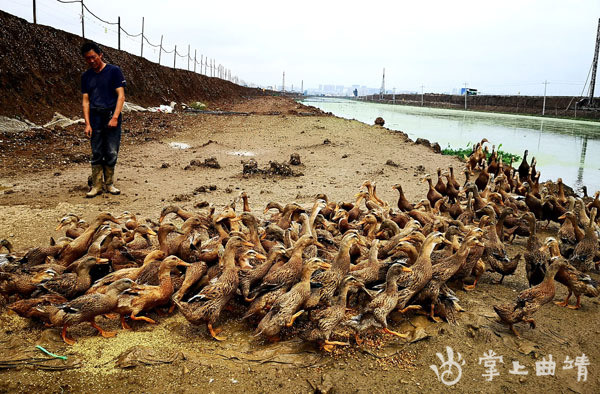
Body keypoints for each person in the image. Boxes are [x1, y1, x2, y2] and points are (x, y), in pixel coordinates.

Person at [80, 42, 126, 198]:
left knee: (111, 151)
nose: (91, 61)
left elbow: (121, 96)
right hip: (95, 117)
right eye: (88, 59)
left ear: (100, 55)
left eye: (93, 57)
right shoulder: (86, 76)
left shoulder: (114, 71)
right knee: (97, 151)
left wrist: (114, 117)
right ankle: (97, 185)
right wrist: (87, 123)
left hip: (111, 114)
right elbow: (85, 100)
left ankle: (110, 184)